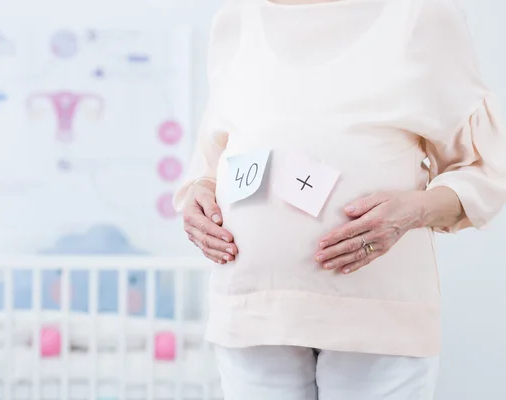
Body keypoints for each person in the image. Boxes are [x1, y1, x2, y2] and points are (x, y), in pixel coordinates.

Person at [173, 0, 506, 399]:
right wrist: (198, 197)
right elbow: (209, 165)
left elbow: (486, 168)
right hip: (251, 313)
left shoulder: (422, 15)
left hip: (378, 316)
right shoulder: (234, 20)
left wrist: (413, 210)